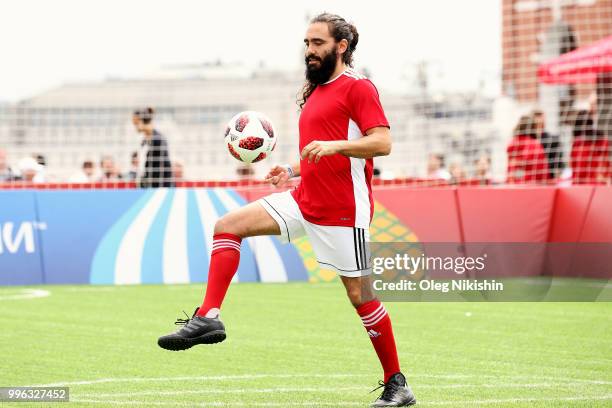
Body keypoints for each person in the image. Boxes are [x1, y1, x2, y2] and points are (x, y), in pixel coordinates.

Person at [157, 13, 416, 407]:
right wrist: (293, 169)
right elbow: (321, 149)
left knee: (360, 296)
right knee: (228, 225)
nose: (309, 51)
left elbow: (381, 143)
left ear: (341, 46)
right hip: (303, 198)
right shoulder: (314, 91)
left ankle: (397, 384)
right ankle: (208, 316)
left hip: (343, 211)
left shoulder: (359, 89)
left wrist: (333, 147)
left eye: (317, 43)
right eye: (307, 43)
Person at [132, 107, 173, 188]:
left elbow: (164, 166)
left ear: (141, 121)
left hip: (157, 187)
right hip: (147, 185)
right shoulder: (144, 140)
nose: (135, 127)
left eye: (136, 123)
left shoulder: (158, 139)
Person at [570, 110, 611, 185]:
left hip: (583, 185)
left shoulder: (578, 143)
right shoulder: (603, 139)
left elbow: (577, 168)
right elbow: (606, 163)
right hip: (600, 182)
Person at [507, 115, 549, 184]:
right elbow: (542, 168)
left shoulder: (513, 143)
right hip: (533, 183)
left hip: (515, 183)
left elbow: (511, 167)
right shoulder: (535, 144)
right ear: (533, 128)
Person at [532, 109, 564, 180]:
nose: (539, 120)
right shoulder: (527, 140)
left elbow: (558, 163)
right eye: (537, 117)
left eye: (541, 117)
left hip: (548, 179)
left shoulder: (553, 139)